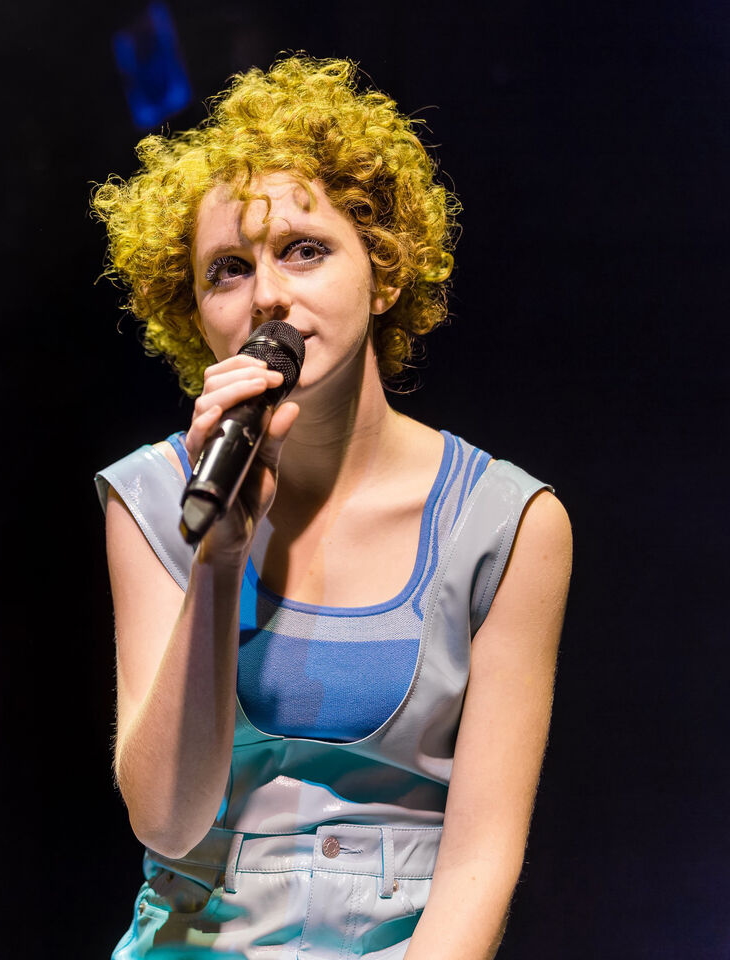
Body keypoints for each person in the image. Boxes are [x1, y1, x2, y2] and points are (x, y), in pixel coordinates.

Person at [91, 58, 571, 959]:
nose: (268, 294)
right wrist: (221, 554)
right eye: (227, 270)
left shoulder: (507, 523)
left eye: (305, 251)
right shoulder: (159, 497)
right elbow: (165, 816)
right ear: (196, 314)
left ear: (384, 276)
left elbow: (482, 864)